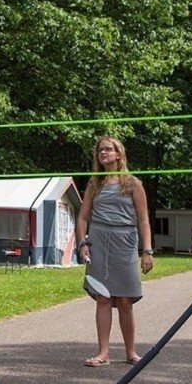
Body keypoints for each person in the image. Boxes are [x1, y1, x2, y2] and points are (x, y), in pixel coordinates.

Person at [74, 135, 153, 368]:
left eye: (108, 149)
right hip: (99, 241)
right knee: (103, 297)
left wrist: (147, 251)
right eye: (100, 150)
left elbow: (144, 220)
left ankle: (131, 352)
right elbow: (82, 218)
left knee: (125, 300)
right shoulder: (94, 184)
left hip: (125, 241)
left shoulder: (133, 184)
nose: (103, 153)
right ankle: (103, 353)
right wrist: (82, 244)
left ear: (119, 154)